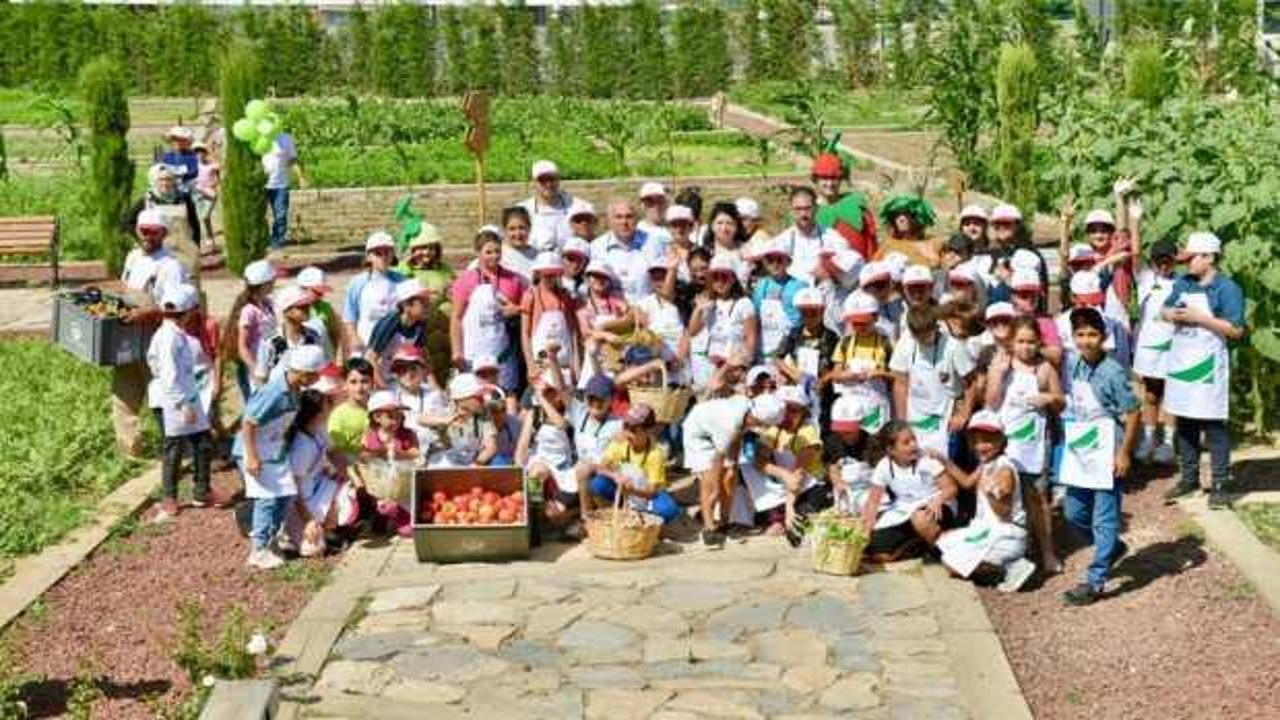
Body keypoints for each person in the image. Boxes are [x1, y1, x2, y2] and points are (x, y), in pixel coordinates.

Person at [1058, 307, 1141, 604]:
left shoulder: (1113, 372)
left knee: (1104, 518)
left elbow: (1133, 413)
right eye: (1080, 335)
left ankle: (1095, 581)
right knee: (1073, 512)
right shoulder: (1075, 365)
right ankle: (1112, 548)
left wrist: (1124, 454)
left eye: (1093, 334)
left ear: (1103, 337)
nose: (1086, 341)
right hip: (1083, 451)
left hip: (1107, 450)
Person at [1160, 232, 1245, 509]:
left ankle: (1220, 482)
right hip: (1184, 361)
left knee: (1213, 423)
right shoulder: (1184, 282)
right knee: (1185, 422)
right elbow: (1165, 308)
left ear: (1209, 257)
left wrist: (1200, 319)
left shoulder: (1227, 289)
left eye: (1191, 258)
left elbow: (1236, 329)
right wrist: (1169, 314)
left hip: (1208, 365)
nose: (1186, 265)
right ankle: (1189, 478)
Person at [985, 317, 1065, 573]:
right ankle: (1011, 549)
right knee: (1003, 495)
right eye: (1020, 341)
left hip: (1034, 444)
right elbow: (991, 402)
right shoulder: (1002, 365)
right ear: (1011, 342)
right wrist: (997, 374)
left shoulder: (1045, 368)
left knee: (1037, 498)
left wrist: (1050, 398)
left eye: (1031, 342)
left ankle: (1047, 552)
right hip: (1006, 443)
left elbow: (1062, 402)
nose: (1026, 347)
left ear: (1039, 342)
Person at [236, 344, 325, 570]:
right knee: (267, 498)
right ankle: (258, 550)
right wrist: (252, 457)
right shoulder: (274, 392)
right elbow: (249, 422)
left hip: (274, 450)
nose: (317, 378)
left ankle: (270, 539)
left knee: (285, 495)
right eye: (316, 374)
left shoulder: (294, 391)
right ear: (305, 372)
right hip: (256, 450)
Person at [935, 411, 1036, 593]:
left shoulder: (1004, 468)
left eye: (987, 440)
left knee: (951, 564)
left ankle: (1010, 567)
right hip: (989, 528)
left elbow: (1004, 512)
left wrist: (990, 492)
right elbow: (966, 482)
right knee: (944, 541)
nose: (980, 446)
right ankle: (1007, 564)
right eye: (975, 440)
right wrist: (943, 460)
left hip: (1006, 533)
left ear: (1001, 441)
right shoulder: (986, 463)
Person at [146, 284, 214, 522]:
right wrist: (182, 404)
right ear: (189, 311)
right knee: (173, 448)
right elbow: (168, 375)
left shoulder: (180, 335)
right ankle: (169, 498)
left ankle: (202, 491)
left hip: (187, 394)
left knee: (203, 442)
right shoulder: (167, 338)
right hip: (171, 399)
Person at [683, 393, 786, 547]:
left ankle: (725, 523)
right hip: (699, 433)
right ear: (756, 417)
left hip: (720, 435)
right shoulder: (729, 422)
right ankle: (709, 527)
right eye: (763, 424)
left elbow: (736, 440)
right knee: (710, 483)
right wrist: (717, 488)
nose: (764, 427)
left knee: (731, 478)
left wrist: (733, 466)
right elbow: (717, 459)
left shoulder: (746, 414)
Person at [890, 305, 977, 458]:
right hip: (915, 416)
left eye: (928, 334)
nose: (925, 339)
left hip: (946, 415)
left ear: (936, 326)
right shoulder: (905, 344)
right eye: (919, 336)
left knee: (944, 463)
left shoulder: (953, 347)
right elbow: (900, 384)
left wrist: (963, 414)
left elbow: (971, 382)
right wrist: (902, 421)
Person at [451, 226, 527, 397]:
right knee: (474, 395)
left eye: (497, 251)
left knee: (506, 395)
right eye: (488, 252)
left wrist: (515, 311)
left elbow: (526, 309)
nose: (494, 256)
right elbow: (456, 318)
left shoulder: (513, 280)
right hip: (473, 353)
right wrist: (457, 351)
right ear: (478, 252)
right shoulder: (466, 279)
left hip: (503, 352)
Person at [862, 421, 959, 550]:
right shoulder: (884, 466)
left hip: (937, 508)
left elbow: (951, 488)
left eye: (914, 439)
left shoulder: (926, 460)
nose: (914, 445)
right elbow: (873, 501)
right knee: (873, 545)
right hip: (905, 511)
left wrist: (938, 499)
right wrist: (867, 528)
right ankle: (916, 544)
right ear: (891, 450)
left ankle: (943, 552)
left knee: (920, 519)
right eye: (906, 442)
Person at [285, 387, 358, 558]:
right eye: (327, 407)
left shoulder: (317, 431)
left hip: (318, 488)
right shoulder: (301, 448)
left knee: (351, 492)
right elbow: (294, 490)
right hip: (303, 501)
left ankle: (330, 528)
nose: (330, 409)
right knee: (313, 550)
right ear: (317, 415)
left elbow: (331, 454)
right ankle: (321, 529)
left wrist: (342, 472)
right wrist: (309, 520)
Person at [588, 404, 680, 524]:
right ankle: (618, 512)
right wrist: (615, 476)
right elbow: (600, 468)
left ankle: (646, 519)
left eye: (633, 430)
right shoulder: (621, 442)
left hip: (647, 495)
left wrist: (632, 490)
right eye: (625, 426)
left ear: (648, 430)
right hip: (625, 491)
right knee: (597, 483)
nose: (627, 433)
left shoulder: (655, 454)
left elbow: (651, 492)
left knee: (669, 510)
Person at [1132, 238, 1180, 465]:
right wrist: (1135, 222)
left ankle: (1169, 443)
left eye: (1168, 261)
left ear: (1175, 261)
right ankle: (1149, 439)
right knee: (1151, 394)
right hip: (1149, 346)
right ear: (1152, 262)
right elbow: (1134, 254)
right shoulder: (1145, 279)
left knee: (1172, 394)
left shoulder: (1182, 283)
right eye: (1159, 261)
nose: (1163, 266)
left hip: (1174, 345)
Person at [121, 163, 202, 286]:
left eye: (169, 179)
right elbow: (128, 222)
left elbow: (195, 224)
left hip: (185, 253)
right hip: (158, 253)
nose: (165, 183)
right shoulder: (147, 200)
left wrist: (195, 246)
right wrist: (143, 239)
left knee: (188, 289)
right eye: (161, 180)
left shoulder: (184, 199)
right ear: (154, 180)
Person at [516, 369, 577, 530]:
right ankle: (535, 514)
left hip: (565, 470)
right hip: (541, 463)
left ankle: (572, 515)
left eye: (551, 390)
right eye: (546, 391)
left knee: (557, 518)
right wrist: (519, 473)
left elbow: (561, 425)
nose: (549, 395)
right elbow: (521, 448)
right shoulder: (534, 414)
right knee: (537, 472)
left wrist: (541, 398)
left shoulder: (572, 410)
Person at [687, 255, 758, 392]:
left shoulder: (744, 303)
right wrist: (698, 310)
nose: (720, 282)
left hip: (733, 371)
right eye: (715, 277)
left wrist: (743, 367)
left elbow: (750, 339)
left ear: (733, 278)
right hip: (711, 368)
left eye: (724, 276)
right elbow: (693, 331)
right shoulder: (710, 302)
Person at [396, 223, 456, 381]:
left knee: (444, 377)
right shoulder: (404, 272)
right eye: (422, 248)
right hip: (419, 339)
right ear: (412, 250)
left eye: (431, 248)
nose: (427, 252)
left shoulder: (445, 270)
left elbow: (455, 293)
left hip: (445, 338)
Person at [830, 291, 893, 434]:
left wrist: (879, 373)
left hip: (875, 407)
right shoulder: (845, 342)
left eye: (864, 322)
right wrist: (845, 375)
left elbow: (897, 376)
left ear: (876, 317)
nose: (859, 327)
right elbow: (835, 374)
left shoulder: (886, 343)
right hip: (850, 409)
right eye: (855, 323)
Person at [774, 287, 840, 423]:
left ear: (822, 311)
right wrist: (794, 374)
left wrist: (824, 380)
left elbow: (838, 365)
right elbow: (777, 357)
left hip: (823, 395)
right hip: (797, 392)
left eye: (813, 312)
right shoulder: (793, 334)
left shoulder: (832, 337)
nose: (809, 317)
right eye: (804, 313)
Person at [362, 391, 420, 537]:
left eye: (399, 416)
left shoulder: (407, 434)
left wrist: (401, 454)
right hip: (380, 485)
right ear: (376, 417)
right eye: (391, 417)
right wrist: (377, 453)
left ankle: (400, 517)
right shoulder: (370, 435)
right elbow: (363, 454)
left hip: (403, 485)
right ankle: (382, 517)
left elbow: (415, 452)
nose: (397, 421)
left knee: (408, 530)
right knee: (384, 506)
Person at [342, 231, 406, 355]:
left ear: (393, 254)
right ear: (369, 256)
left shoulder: (402, 281)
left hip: (395, 344)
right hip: (365, 342)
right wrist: (354, 337)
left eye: (387, 252)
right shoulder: (358, 283)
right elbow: (349, 315)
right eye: (377, 253)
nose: (383, 257)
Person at [222, 259, 277, 402]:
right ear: (264, 284)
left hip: (269, 363)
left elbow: (270, 335)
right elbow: (243, 346)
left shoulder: (268, 305)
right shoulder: (249, 311)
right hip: (254, 367)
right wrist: (255, 370)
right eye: (272, 280)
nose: (275, 283)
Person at [521, 252, 580, 385]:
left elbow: (572, 333)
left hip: (564, 362)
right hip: (541, 362)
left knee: (572, 399)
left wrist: (576, 364)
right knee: (543, 398)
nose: (550, 278)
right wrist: (530, 365)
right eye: (546, 274)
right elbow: (525, 334)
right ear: (538, 274)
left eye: (553, 274)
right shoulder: (530, 296)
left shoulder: (565, 296)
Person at [591, 200, 666, 302]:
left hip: (646, 310)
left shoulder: (653, 243)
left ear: (637, 220)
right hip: (612, 311)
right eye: (618, 217)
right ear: (609, 221)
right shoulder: (597, 246)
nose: (624, 222)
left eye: (629, 216)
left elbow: (661, 284)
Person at [365, 279, 432, 388]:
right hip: (382, 379)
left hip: (404, 378)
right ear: (406, 305)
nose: (429, 305)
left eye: (428, 301)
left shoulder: (421, 323)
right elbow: (370, 358)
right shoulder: (389, 323)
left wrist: (434, 387)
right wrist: (383, 388)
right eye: (423, 302)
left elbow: (422, 356)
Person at [771, 188, 843, 287]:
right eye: (798, 209)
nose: (803, 214)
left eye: (807, 208)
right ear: (791, 211)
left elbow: (849, 272)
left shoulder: (833, 238)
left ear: (816, 208)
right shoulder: (781, 241)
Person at [811, 153, 877, 259]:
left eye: (834, 178)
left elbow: (871, 242)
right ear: (815, 180)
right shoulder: (809, 212)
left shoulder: (856, 205)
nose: (830, 184)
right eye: (824, 178)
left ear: (841, 179)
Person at [753, 239, 809, 361]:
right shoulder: (760, 285)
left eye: (779, 260)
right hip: (761, 351)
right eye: (770, 260)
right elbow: (755, 317)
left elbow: (803, 322)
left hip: (788, 352)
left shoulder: (800, 286)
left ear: (788, 262)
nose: (775, 264)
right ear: (764, 263)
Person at [257, 285, 324, 387]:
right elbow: (262, 376)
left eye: (308, 305)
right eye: (301, 306)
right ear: (286, 310)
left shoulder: (313, 336)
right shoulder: (270, 340)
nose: (308, 309)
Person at [389, 346, 448, 453]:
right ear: (395, 373)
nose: (408, 374)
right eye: (402, 369)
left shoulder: (434, 395)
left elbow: (441, 429)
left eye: (413, 368)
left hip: (431, 453)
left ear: (424, 371)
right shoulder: (389, 397)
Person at [264, 129, 305, 251]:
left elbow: (293, 160)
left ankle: (277, 241)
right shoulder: (256, 136)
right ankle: (261, 241)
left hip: (281, 184)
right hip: (261, 184)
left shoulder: (285, 138)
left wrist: (301, 177)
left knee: (281, 215)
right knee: (259, 216)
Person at [876, 194, 942, 268]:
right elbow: (872, 270)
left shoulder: (933, 242)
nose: (901, 219)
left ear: (918, 218)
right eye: (896, 215)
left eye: (907, 214)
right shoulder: (888, 244)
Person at [327, 358, 374, 460]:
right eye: (353, 382)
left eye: (365, 381)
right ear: (345, 384)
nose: (359, 387)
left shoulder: (377, 408)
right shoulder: (339, 416)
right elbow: (335, 453)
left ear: (373, 383)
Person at [519, 160, 574, 241]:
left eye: (552, 179)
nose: (548, 184)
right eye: (542, 180)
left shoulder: (577, 207)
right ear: (533, 182)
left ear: (558, 180)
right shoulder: (522, 210)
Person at [296, 266, 342, 361]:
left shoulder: (325, 307)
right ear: (303, 288)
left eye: (322, 292)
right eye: (317, 292)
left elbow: (335, 334)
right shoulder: (291, 308)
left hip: (324, 358)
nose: (321, 295)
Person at [701, 202, 751, 286]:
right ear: (711, 225)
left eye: (729, 223)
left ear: (737, 226)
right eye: (719, 223)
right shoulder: (705, 252)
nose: (724, 228)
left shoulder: (746, 250)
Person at [500, 206, 539, 282]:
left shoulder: (537, 255)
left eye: (521, 228)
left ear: (529, 228)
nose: (517, 233)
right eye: (512, 229)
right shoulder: (499, 255)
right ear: (504, 230)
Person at [192, 141, 220, 247]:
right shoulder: (193, 166)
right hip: (197, 194)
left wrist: (213, 185)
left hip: (209, 194)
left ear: (205, 153)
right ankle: (204, 236)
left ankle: (209, 236)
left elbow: (218, 178)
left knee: (205, 216)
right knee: (199, 217)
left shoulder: (212, 165)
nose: (199, 155)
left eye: (201, 152)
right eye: (196, 153)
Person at [161, 126, 199, 191]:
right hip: (168, 185)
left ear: (188, 142)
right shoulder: (167, 156)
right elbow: (161, 169)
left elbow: (194, 171)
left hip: (188, 186)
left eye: (182, 140)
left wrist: (179, 175)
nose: (178, 142)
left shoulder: (192, 156)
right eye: (176, 140)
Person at [637, 182, 673, 246]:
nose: (656, 206)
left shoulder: (675, 229)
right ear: (642, 205)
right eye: (650, 202)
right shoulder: (636, 233)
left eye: (660, 201)